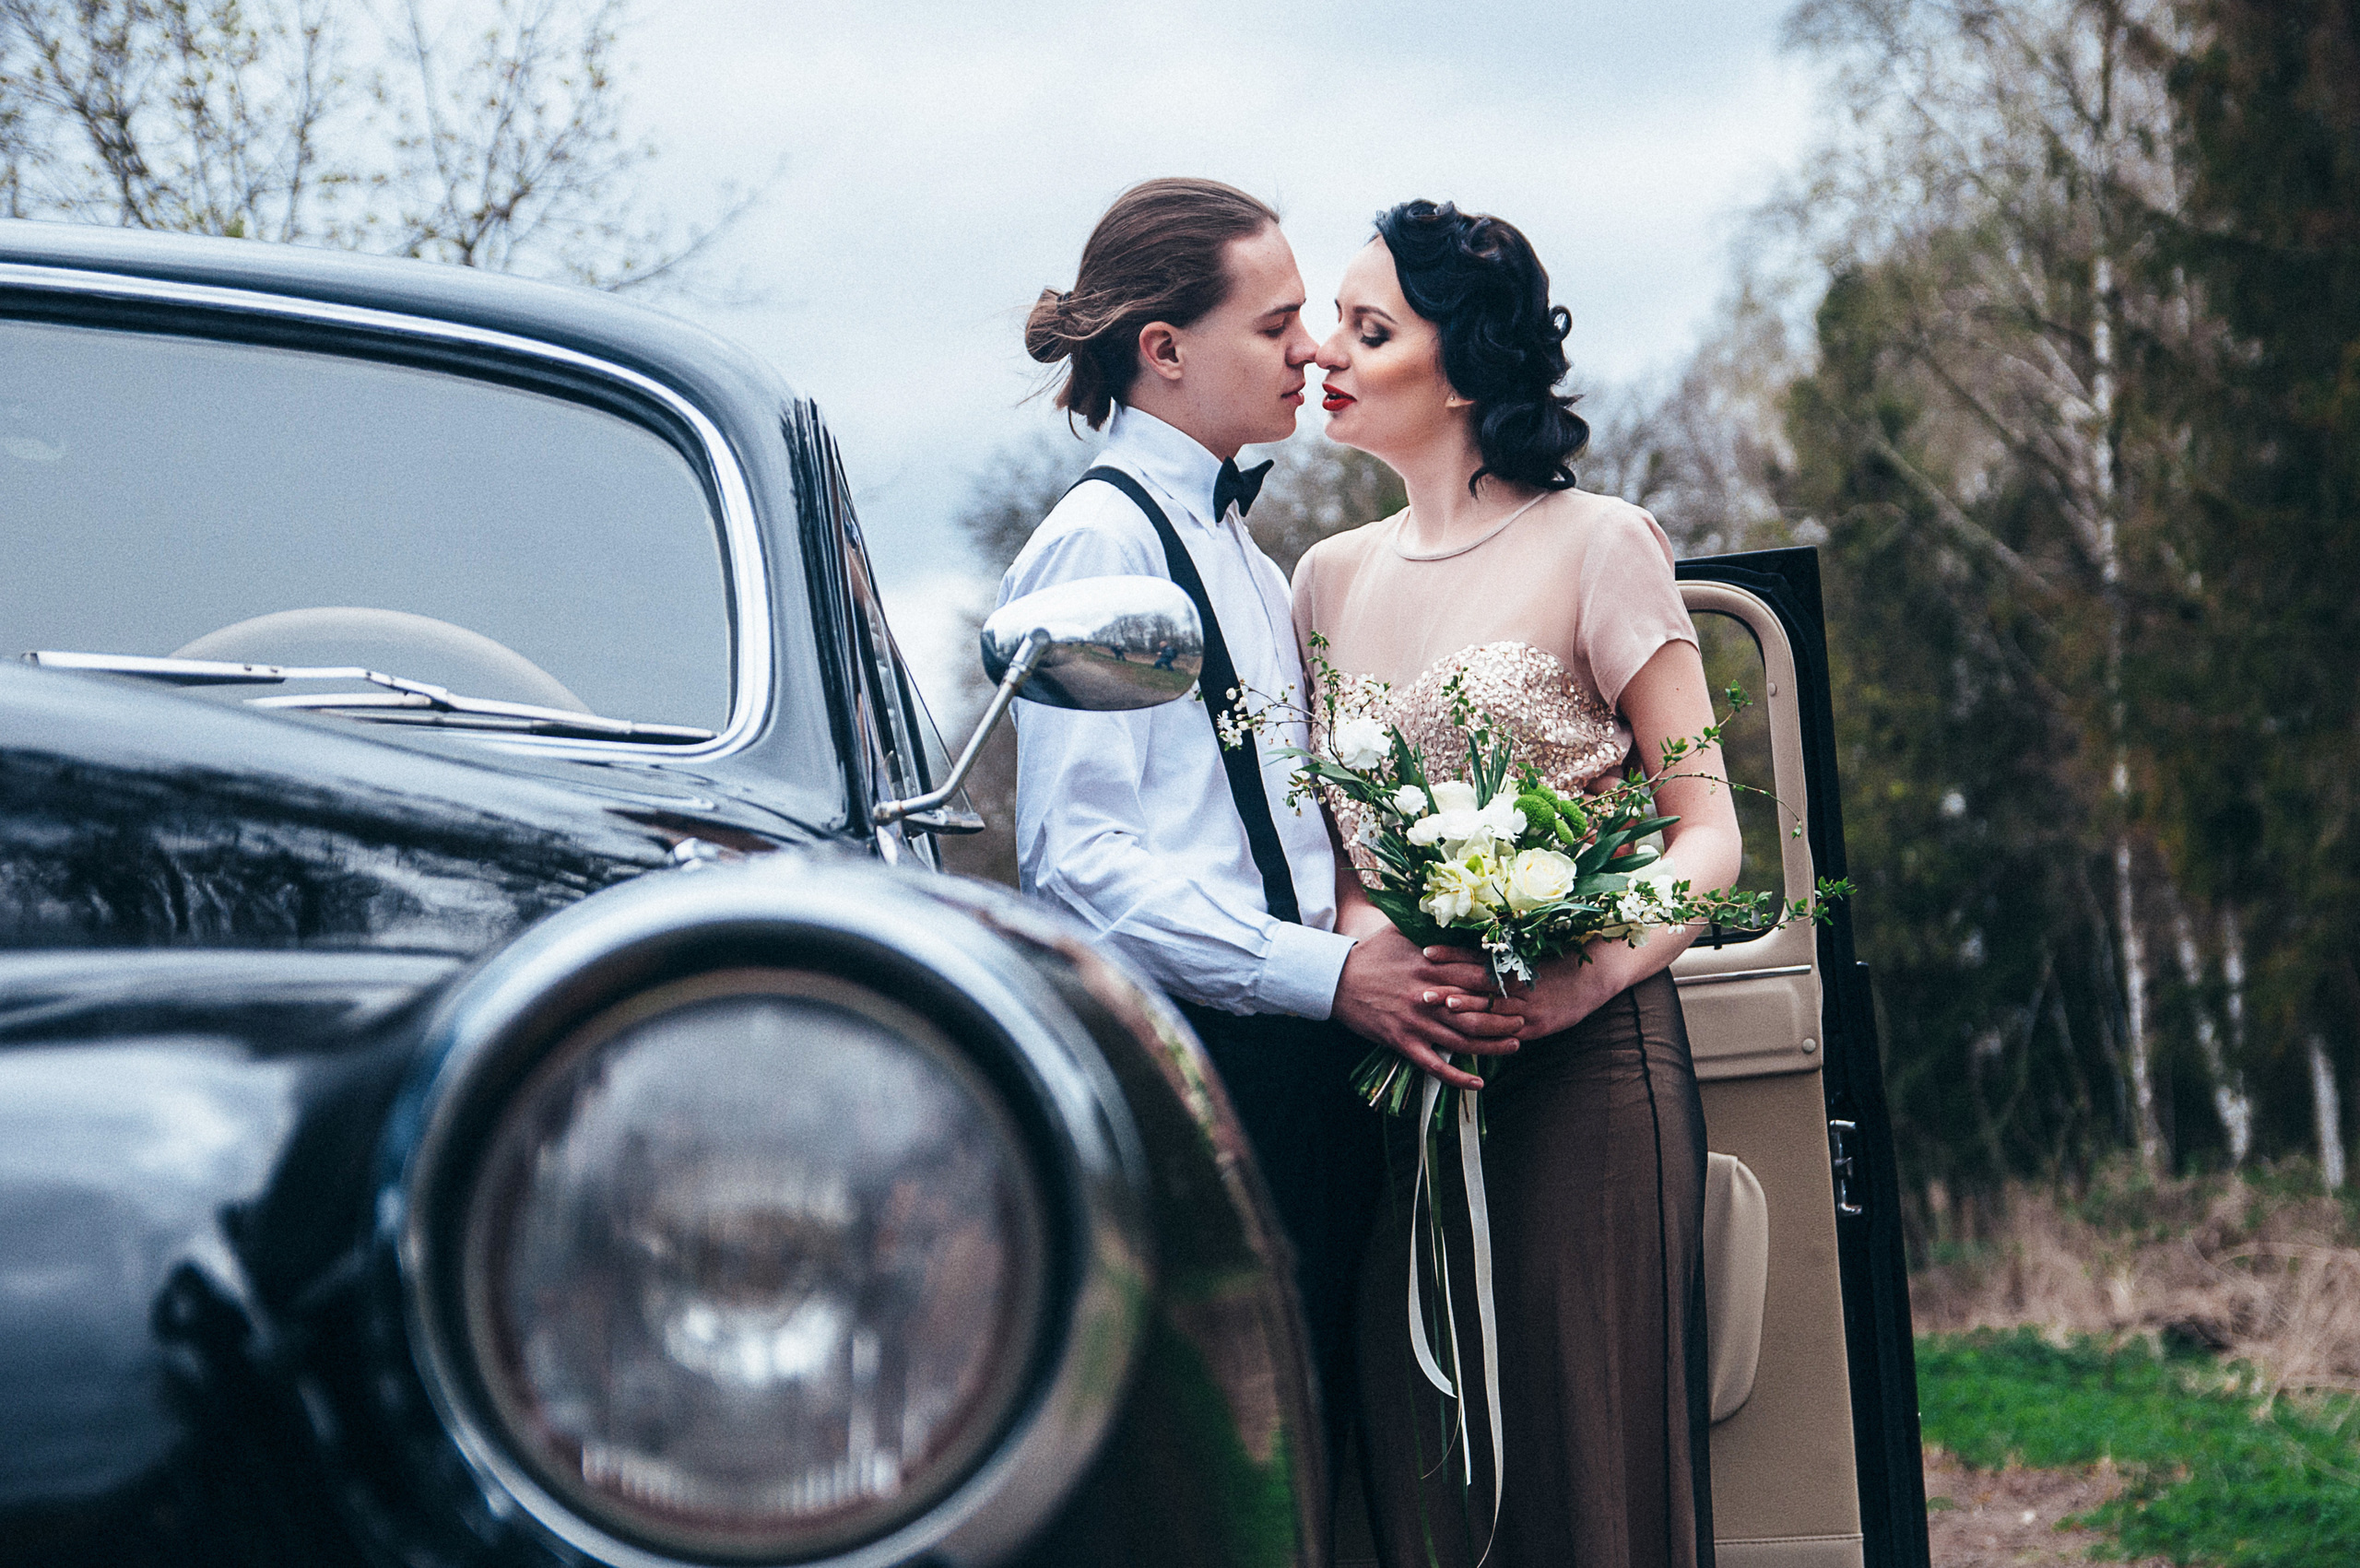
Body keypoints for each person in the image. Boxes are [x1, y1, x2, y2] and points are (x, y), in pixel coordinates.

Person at [1002, 178, 1517, 1508]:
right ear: (1163, 350)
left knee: (1328, 1454)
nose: (1313, 350)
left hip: (1305, 1063)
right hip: (1207, 1071)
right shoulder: (1097, 547)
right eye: (1279, 323)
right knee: (1238, 1473)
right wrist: (1327, 974)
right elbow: (1080, 864)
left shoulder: (1242, 544)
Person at [1292, 199, 1740, 1568]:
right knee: (1421, 1455)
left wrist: (1578, 970)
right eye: (1331, 324)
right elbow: (1342, 853)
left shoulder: (1604, 542)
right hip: (1410, 1081)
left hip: (1592, 1073)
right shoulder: (1322, 579)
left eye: (1369, 331)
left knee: (1586, 1459)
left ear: (1468, 364)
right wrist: (1389, 961)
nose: (1326, 354)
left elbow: (1709, 837)